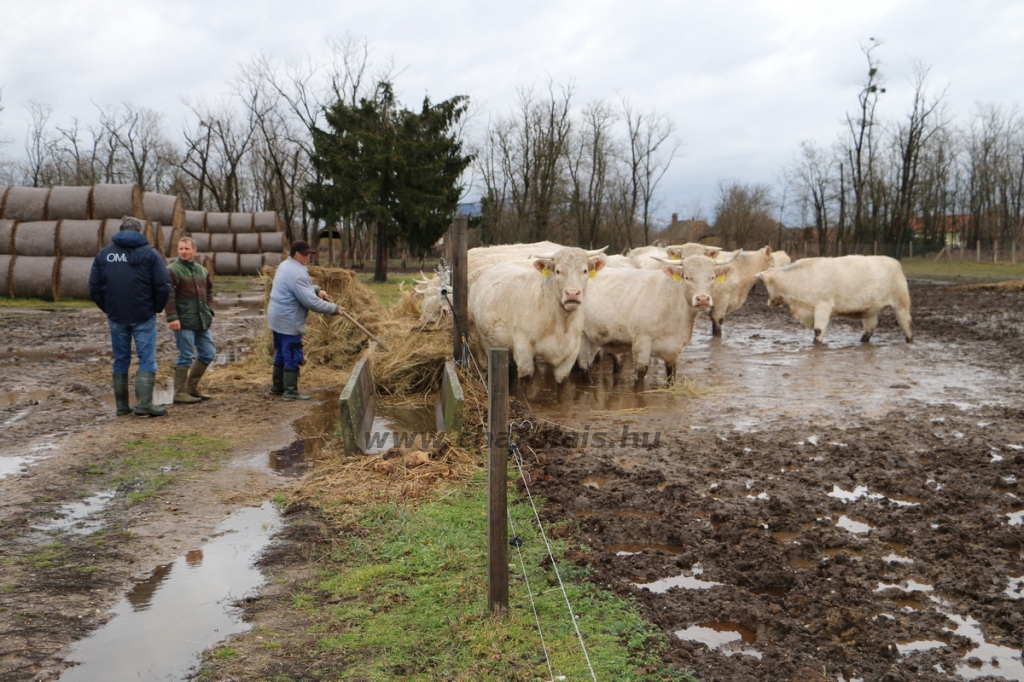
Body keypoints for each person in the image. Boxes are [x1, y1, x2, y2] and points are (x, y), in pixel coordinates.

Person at [88, 216, 171, 417]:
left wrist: (108, 308)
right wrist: (156, 308)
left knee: (121, 359)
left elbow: (94, 287)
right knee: (146, 359)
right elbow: (163, 285)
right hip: (143, 314)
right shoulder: (150, 254)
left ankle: (122, 406)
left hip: (117, 315)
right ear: (139, 231)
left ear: (121, 229)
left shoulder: (104, 254)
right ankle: (144, 404)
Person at [267, 240, 344, 400]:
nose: (307, 257)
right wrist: (334, 309)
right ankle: (290, 391)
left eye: (308, 254)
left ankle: (277, 387)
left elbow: (297, 287)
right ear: (296, 254)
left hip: (276, 317)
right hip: (289, 319)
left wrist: (316, 289)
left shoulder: (285, 266)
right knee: (293, 354)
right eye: (304, 254)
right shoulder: (297, 272)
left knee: (281, 352)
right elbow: (310, 302)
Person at [165, 237, 216, 404]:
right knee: (186, 355)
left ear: (195, 250)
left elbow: (209, 293)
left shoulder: (202, 271)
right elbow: (169, 297)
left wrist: (209, 310)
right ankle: (179, 393)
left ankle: (191, 387)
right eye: (181, 249)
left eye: (187, 249)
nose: (183, 252)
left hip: (202, 320)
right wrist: (173, 317)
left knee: (208, 353)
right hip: (183, 321)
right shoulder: (172, 270)